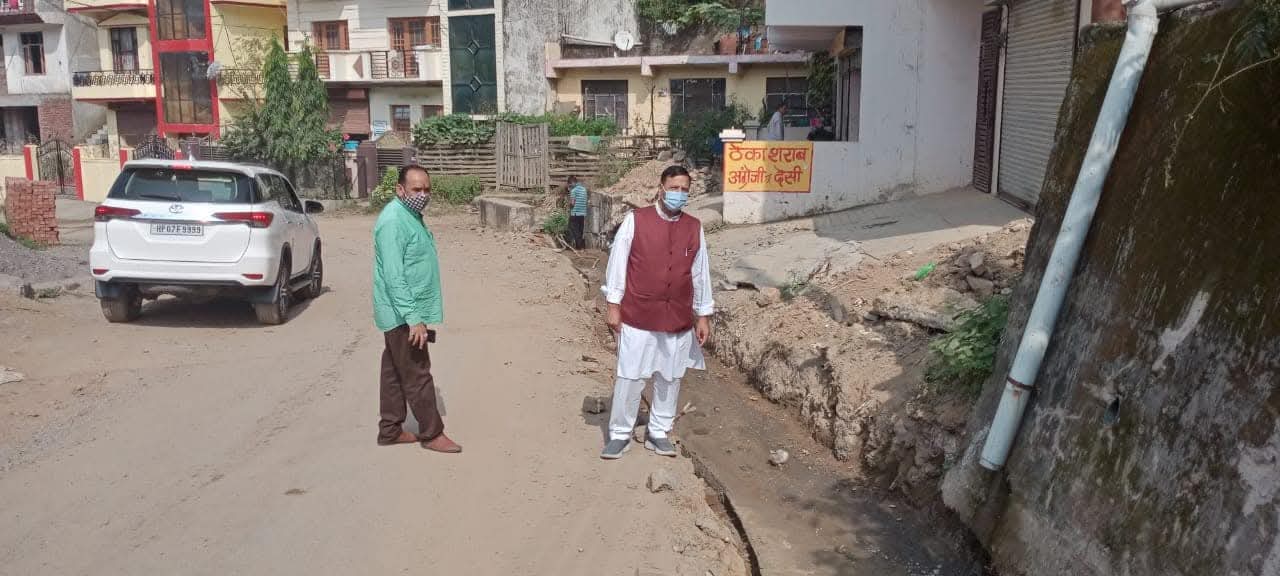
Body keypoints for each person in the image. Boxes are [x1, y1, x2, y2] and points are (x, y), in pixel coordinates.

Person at [600, 165, 714, 460]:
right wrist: (613, 305)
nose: (679, 194)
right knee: (630, 376)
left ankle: (659, 431)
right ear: (661, 189)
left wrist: (703, 315)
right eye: (674, 188)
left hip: (677, 317)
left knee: (670, 377)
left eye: (684, 190)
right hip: (638, 314)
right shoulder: (636, 220)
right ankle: (620, 434)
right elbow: (618, 263)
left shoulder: (694, 227)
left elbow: (700, 273)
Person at [372, 164, 462, 454]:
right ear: (400, 189)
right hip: (402, 313)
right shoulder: (393, 221)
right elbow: (394, 276)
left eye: (426, 189)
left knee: (394, 371)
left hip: (404, 311)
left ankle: (390, 429)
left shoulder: (409, 216)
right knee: (418, 372)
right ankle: (432, 433)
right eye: (416, 189)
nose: (423, 195)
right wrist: (414, 318)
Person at [566, 175, 588, 250]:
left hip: (575, 213)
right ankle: (581, 246)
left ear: (572, 182)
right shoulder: (584, 189)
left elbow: (572, 203)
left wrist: (569, 206)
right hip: (582, 214)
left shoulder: (574, 191)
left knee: (573, 229)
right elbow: (585, 201)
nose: (570, 186)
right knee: (580, 230)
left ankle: (578, 246)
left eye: (570, 184)